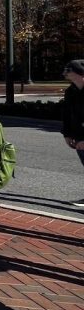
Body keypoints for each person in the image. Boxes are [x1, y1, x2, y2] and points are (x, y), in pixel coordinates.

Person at [61, 60, 84, 206]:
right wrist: (67, 134)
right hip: (78, 136)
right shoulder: (71, 91)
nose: (66, 73)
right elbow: (67, 115)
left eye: (69, 71)